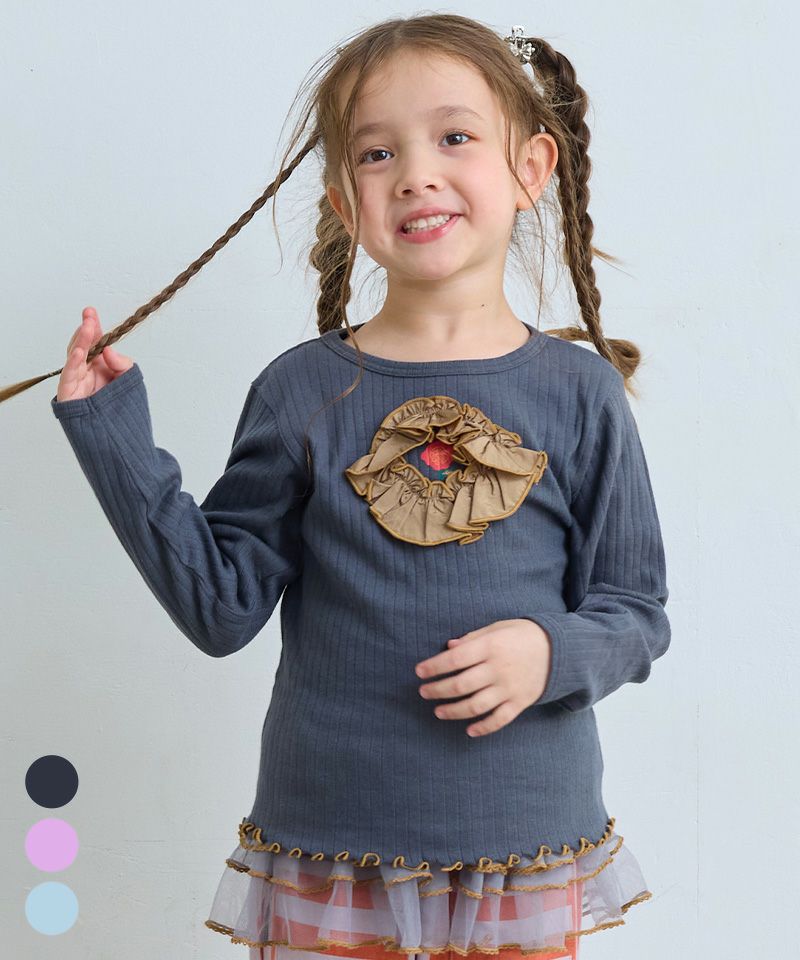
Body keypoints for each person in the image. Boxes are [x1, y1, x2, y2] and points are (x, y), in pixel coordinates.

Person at [49, 14, 671, 960]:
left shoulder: (580, 394)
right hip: (330, 854)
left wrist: (551, 652)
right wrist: (110, 434)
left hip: (523, 844)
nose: (416, 173)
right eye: (378, 153)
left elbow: (636, 611)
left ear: (531, 168)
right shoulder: (301, 390)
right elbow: (220, 608)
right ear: (345, 202)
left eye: (454, 136)